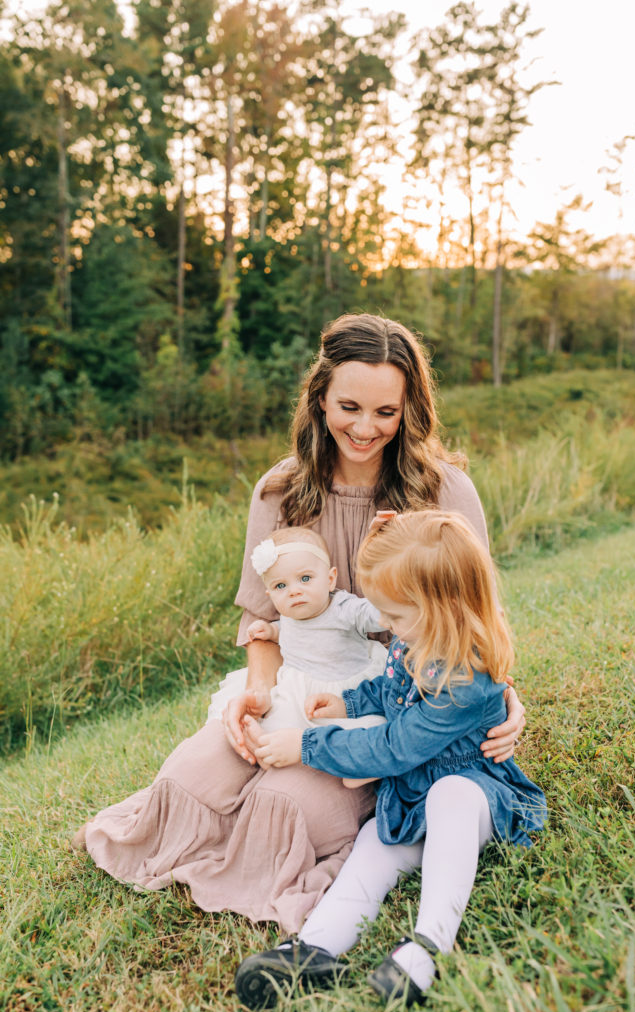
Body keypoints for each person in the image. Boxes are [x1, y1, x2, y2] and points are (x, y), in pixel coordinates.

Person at [73, 312, 526, 933]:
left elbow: (472, 621)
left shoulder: (446, 493)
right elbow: (263, 626)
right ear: (319, 397)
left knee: (281, 803)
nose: (366, 428)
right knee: (189, 779)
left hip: (396, 702)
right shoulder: (278, 491)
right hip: (296, 683)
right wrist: (258, 694)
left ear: (409, 410)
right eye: (349, 407)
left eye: (386, 413)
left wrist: (502, 701)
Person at [234, 510, 547, 1010]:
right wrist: (351, 703)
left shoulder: (467, 679)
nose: (388, 627)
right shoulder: (415, 638)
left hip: (475, 796)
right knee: (374, 845)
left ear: (443, 608)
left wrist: (308, 745)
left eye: (397, 617)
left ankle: (428, 945)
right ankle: (315, 946)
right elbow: (392, 686)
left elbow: (395, 747)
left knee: (450, 796)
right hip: (412, 798)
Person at [240, 526, 387, 735]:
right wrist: (272, 631)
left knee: (370, 726)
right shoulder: (290, 615)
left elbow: (373, 615)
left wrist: (389, 610)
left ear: (330, 579)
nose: (294, 591)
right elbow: (293, 634)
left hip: (348, 687)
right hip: (299, 687)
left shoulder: (343, 608)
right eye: (280, 586)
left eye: (305, 578)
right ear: (270, 594)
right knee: (280, 723)